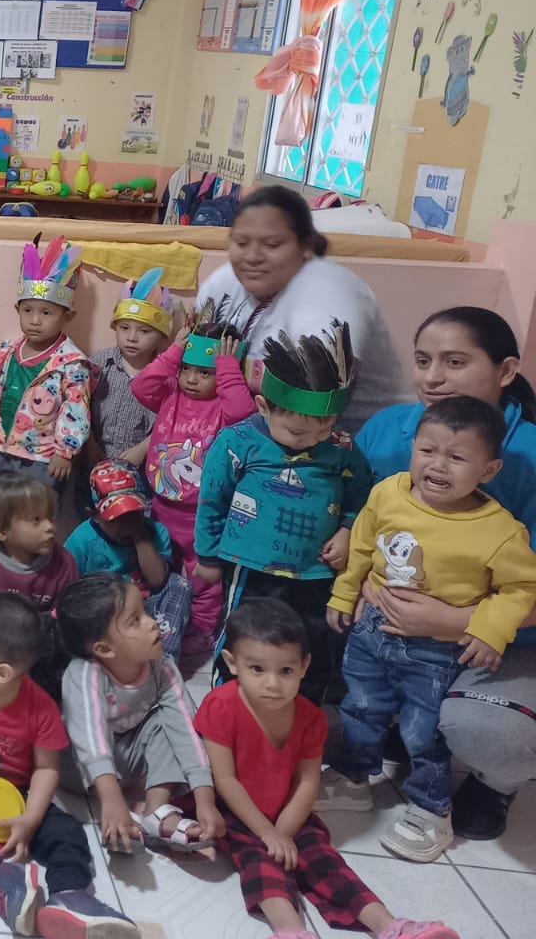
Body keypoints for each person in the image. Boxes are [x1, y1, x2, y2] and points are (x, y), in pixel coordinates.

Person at [321, 396, 536, 862]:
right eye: (428, 451)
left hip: (436, 651)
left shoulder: (499, 530)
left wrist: (489, 628)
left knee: (423, 731)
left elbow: (521, 588)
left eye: (457, 457)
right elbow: (362, 549)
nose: (438, 465)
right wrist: (344, 593)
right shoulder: (388, 493)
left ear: (489, 469)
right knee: (360, 706)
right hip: (372, 631)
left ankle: (431, 808)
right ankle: (353, 777)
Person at [354, 306, 536, 840]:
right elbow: (357, 518)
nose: (432, 377)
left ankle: (491, 781)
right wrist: (360, 577)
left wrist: (456, 620)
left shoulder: (529, 458)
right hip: (392, 620)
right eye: (422, 360)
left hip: (502, 638)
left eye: (455, 362)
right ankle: (393, 728)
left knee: (490, 730)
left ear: (505, 370)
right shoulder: (388, 429)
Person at [196, 599, 460, 939]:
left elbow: (308, 781)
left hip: (289, 811)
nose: (272, 684)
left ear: (304, 666)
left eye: (285, 671)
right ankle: (290, 930)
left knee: (324, 859)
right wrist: (267, 833)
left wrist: (284, 830)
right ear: (232, 663)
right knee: (260, 860)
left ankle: (390, 926)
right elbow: (225, 779)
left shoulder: (310, 717)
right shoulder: (221, 705)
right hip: (236, 812)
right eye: (257, 669)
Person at [0, 593, 138, 937]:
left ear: (1, 673)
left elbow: (46, 768)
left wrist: (30, 819)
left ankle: (70, 896)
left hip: (13, 790)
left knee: (68, 831)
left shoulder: (41, 708)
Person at [195, 325, 371, 705]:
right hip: (251, 569)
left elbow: (361, 495)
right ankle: (227, 710)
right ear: (263, 407)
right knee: (244, 638)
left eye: (325, 428)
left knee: (311, 645)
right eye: (298, 433)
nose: (315, 440)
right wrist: (207, 556)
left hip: (316, 573)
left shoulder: (340, 446)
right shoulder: (238, 441)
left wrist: (347, 529)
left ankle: (301, 714)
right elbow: (212, 500)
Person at [195, 184, 406, 433]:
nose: (251, 257)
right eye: (241, 243)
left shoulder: (334, 300)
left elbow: (308, 410)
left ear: (305, 246)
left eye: (272, 245)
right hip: (257, 427)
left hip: (326, 438)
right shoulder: (228, 286)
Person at [57, 573, 219, 854]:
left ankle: (156, 811)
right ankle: (116, 816)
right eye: (135, 620)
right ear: (104, 649)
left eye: (144, 612)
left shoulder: (162, 667)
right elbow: (90, 735)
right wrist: (111, 799)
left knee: (167, 722)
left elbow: (184, 727)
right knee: (81, 738)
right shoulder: (84, 674)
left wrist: (205, 797)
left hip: (126, 758)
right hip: (77, 767)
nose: (152, 622)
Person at [132, 324, 255, 650]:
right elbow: (141, 386)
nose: (191, 379)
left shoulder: (224, 406)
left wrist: (227, 368)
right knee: (158, 567)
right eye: (186, 369)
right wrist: (173, 353)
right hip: (162, 506)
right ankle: (159, 620)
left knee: (203, 575)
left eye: (204, 372)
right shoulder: (171, 394)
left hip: (203, 514)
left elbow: (243, 412)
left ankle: (200, 631)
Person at [0, 237, 92, 515]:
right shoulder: (8, 351)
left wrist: (65, 451)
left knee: (35, 517)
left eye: (46, 313)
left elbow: (76, 409)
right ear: (17, 310)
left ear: (67, 316)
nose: (35, 320)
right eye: (28, 310)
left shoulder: (71, 363)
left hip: (41, 459)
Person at [64, 461, 193, 663]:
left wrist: (140, 535)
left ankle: (163, 663)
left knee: (179, 585)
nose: (127, 524)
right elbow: (70, 589)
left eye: (134, 514)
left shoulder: (155, 531)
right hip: (106, 612)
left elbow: (157, 580)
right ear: (95, 515)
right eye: (116, 518)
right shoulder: (82, 538)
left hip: (145, 606)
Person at [88, 267, 172, 470]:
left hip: (138, 469)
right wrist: (88, 444)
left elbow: (171, 420)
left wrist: (143, 449)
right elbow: (79, 405)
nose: (132, 338)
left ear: (161, 336)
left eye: (144, 331)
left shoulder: (168, 376)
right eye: (124, 328)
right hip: (92, 462)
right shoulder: (99, 363)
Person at [0, 473, 76, 608]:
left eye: (50, 517)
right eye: (36, 520)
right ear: (1, 530)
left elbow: (66, 613)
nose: (49, 527)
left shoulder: (64, 562)